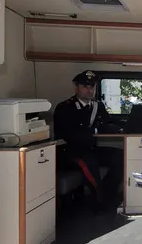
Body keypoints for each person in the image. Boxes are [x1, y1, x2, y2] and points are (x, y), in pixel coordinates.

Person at [53, 70, 125, 214]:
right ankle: (101, 202)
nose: (89, 90)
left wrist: (124, 125)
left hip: (89, 148)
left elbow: (109, 120)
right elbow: (68, 134)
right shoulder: (65, 108)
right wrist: (96, 131)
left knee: (121, 155)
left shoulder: (97, 106)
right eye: (85, 86)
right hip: (69, 152)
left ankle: (108, 191)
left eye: (92, 87)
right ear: (77, 88)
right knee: (89, 161)